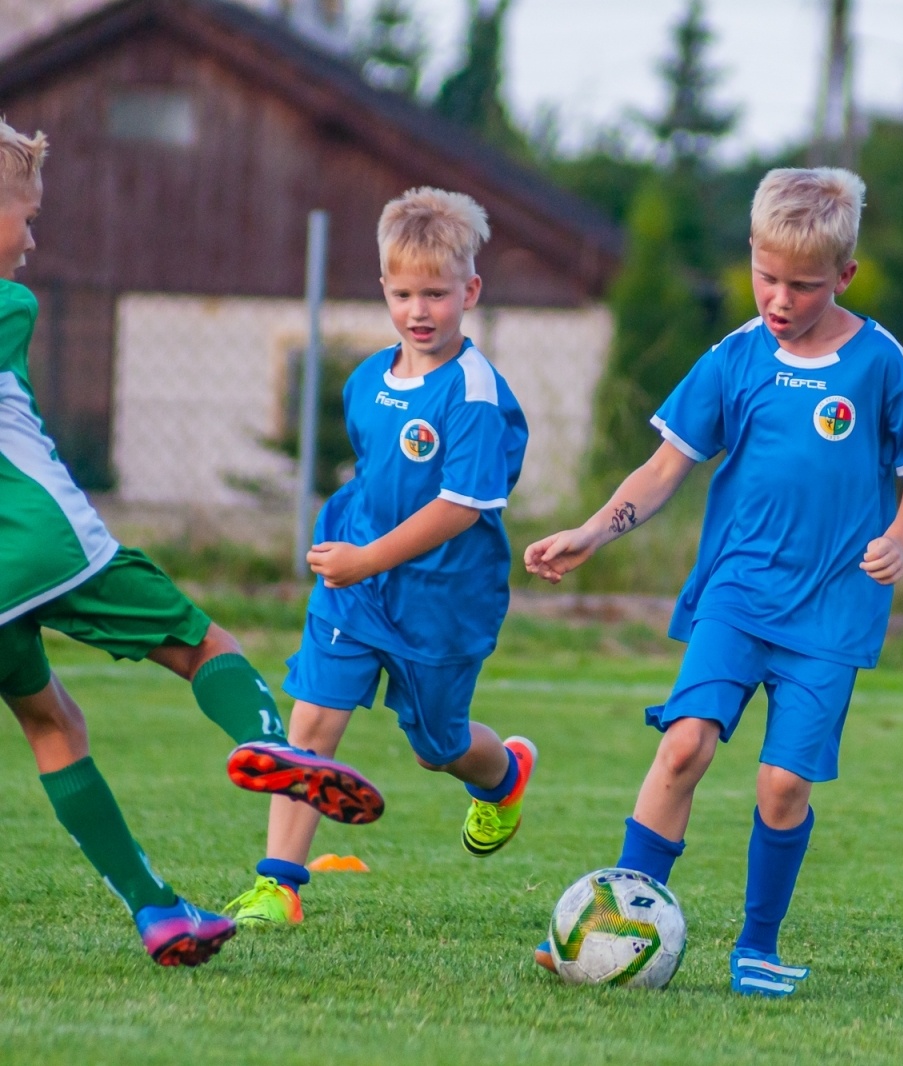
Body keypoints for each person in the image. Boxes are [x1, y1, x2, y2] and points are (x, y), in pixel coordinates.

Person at [525, 167, 903, 996]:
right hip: (737, 594)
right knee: (684, 744)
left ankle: (757, 947)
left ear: (844, 276)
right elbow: (663, 468)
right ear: (749, 258)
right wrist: (593, 530)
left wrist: (900, 537)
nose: (780, 298)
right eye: (765, 276)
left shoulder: (878, 363)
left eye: (802, 284)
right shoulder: (733, 358)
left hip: (833, 608)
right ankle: (612, 927)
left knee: (783, 781)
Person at [0, 118, 383, 967]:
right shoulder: (11, 303)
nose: (32, 239)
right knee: (201, 642)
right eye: (26, 216)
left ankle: (159, 912)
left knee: (52, 722)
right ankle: (273, 742)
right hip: (46, 546)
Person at [226, 187, 535, 928]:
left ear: (471, 291)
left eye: (436, 293)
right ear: (384, 291)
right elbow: (376, 478)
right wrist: (351, 554)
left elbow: (461, 507)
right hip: (357, 591)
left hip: (444, 598)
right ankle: (279, 885)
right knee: (310, 729)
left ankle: (505, 776)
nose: (419, 310)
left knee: (439, 747)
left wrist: (369, 559)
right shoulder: (365, 381)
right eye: (403, 294)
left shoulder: (475, 395)